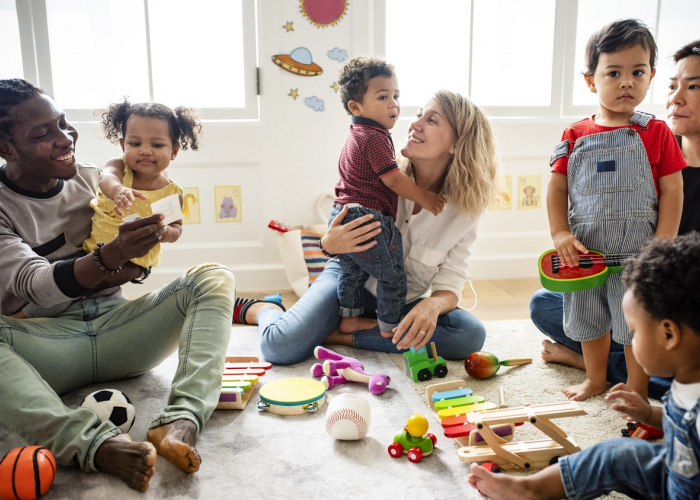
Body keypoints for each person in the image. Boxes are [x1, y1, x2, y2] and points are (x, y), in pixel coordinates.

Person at [0, 79, 235, 491]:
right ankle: (93, 444)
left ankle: (181, 420)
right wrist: (111, 257)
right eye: (43, 134)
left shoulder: (96, 179)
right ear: (6, 148)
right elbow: (35, 285)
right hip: (47, 342)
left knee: (213, 277)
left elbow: (141, 261)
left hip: (117, 328)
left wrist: (141, 255)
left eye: (63, 123)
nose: (64, 138)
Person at [234, 90, 498, 365]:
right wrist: (328, 244)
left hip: (402, 302)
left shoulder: (465, 210)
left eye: (432, 120)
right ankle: (264, 309)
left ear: (457, 144)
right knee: (279, 347)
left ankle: (340, 336)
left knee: (469, 335)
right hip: (348, 282)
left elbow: (451, 284)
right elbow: (334, 234)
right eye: (419, 114)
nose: (414, 124)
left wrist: (432, 305)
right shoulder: (381, 173)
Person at [468, 233, 700, 500]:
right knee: (615, 454)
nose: (629, 340)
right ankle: (531, 489)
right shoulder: (686, 379)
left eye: (634, 332)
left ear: (669, 335)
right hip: (673, 472)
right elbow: (678, 424)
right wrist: (648, 414)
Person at [532, 38, 700, 401]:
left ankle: (636, 388)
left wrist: (663, 242)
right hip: (585, 256)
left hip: (637, 258)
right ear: (591, 80)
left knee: (634, 328)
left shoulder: (655, 132)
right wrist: (560, 232)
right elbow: (556, 188)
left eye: (637, 72)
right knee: (587, 320)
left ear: (650, 76)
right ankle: (595, 378)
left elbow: (673, 190)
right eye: (614, 73)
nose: (627, 82)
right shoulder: (574, 135)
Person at [328, 56, 445, 338]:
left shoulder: (357, 133)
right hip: (365, 216)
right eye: (382, 96)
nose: (393, 103)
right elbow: (392, 179)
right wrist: (426, 198)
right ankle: (391, 327)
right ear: (356, 107)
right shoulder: (374, 136)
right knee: (392, 274)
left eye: (396, 95)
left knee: (351, 272)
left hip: (342, 212)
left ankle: (349, 318)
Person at [83, 99, 199, 272]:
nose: (145, 150)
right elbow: (106, 179)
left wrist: (165, 232)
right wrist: (118, 190)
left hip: (137, 261)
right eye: (135, 144)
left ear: (174, 151)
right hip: (97, 252)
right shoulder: (119, 167)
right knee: (93, 282)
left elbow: (177, 227)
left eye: (157, 145)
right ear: (123, 146)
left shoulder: (170, 193)